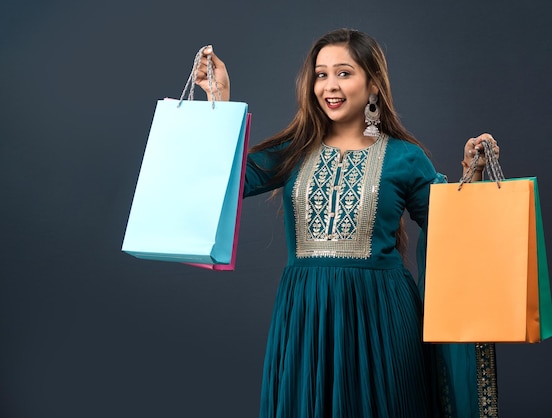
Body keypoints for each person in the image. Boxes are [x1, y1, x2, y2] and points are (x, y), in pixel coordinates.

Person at [195, 28, 499, 418]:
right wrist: (217, 98)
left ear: (372, 84)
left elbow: (452, 227)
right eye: (321, 75)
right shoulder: (294, 151)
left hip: (382, 320)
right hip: (306, 317)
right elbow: (225, 179)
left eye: (343, 73)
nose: (329, 86)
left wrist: (472, 182)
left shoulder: (405, 158)